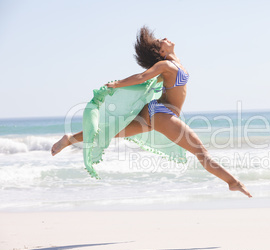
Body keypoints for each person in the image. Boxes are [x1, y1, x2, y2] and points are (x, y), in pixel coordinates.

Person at [51, 26, 252, 198]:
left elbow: (147, 81)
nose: (165, 39)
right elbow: (142, 76)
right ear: (162, 52)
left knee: (110, 132)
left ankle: (70, 139)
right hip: (161, 114)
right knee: (201, 152)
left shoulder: (172, 64)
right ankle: (233, 182)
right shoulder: (166, 65)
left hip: (156, 113)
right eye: (160, 42)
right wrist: (117, 84)